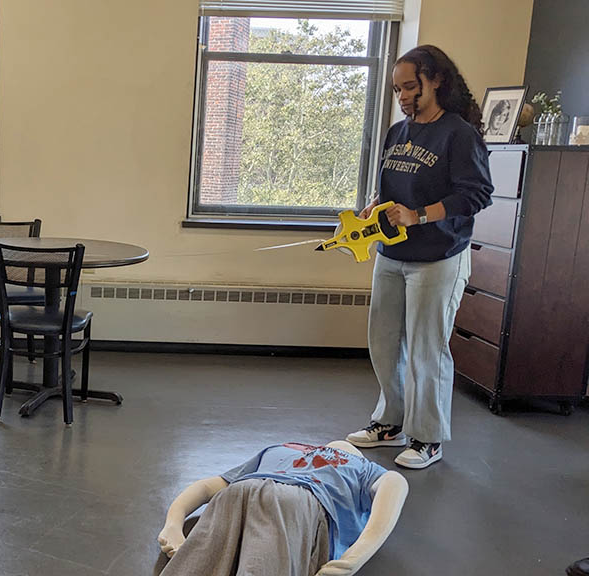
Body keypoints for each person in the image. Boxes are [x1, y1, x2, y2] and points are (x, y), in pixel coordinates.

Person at [347, 45, 493, 469]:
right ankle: (390, 422)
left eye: (410, 86)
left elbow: (476, 194)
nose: (403, 96)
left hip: (439, 256)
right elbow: (391, 191)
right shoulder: (399, 132)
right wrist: (372, 210)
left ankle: (427, 437)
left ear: (436, 80)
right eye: (397, 89)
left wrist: (419, 216)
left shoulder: (458, 134)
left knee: (427, 349)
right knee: (384, 343)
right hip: (392, 253)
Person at [157, 441, 408, 576]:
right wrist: (352, 560)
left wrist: (174, 523)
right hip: (296, 502)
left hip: (239, 492)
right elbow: (395, 487)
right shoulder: (364, 469)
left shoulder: (281, 449)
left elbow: (207, 487)